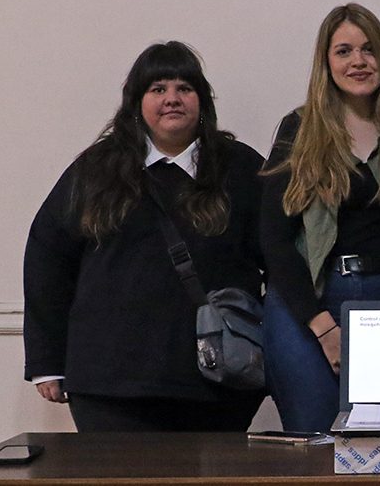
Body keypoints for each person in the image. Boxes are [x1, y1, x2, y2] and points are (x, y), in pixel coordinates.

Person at [23, 41, 265, 431]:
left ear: (202, 101)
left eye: (185, 88)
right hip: (109, 385)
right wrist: (46, 361)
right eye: (158, 89)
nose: (172, 99)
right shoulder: (96, 168)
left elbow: (282, 257)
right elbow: (47, 258)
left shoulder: (241, 168)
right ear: (137, 103)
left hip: (217, 383)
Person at [259, 4, 380, 433]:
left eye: (368, 49)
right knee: (317, 439)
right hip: (310, 304)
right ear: (326, 63)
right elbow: (273, 239)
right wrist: (324, 328)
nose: (358, 61)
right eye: (344, 51)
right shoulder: (299, 130)